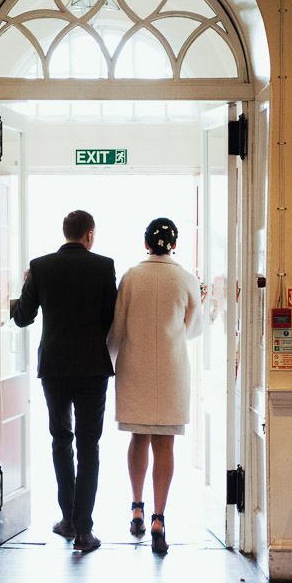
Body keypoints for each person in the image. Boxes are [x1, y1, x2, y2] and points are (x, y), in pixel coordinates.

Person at [9, 209, 118, 553]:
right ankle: (84, 530)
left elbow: (23, 318)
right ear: (89, 234)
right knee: (89, 446)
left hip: (54, 366)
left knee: (60, 439)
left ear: (65, 232)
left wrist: (15, 294)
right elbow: (109, 318)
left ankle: (67, 520)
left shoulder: (40, 267)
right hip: (92, 367)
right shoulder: (103, 266)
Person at [107, 217, 203, 555]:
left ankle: (136, 509)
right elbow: (194, 328)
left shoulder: (132, 276)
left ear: (146, 243)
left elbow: (116, 327)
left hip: (135, 365)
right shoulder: (185, 279)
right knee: (165, 444)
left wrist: (111, 356)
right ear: (173, 245)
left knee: (138, 437)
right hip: (172, 367)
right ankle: (159, 518)